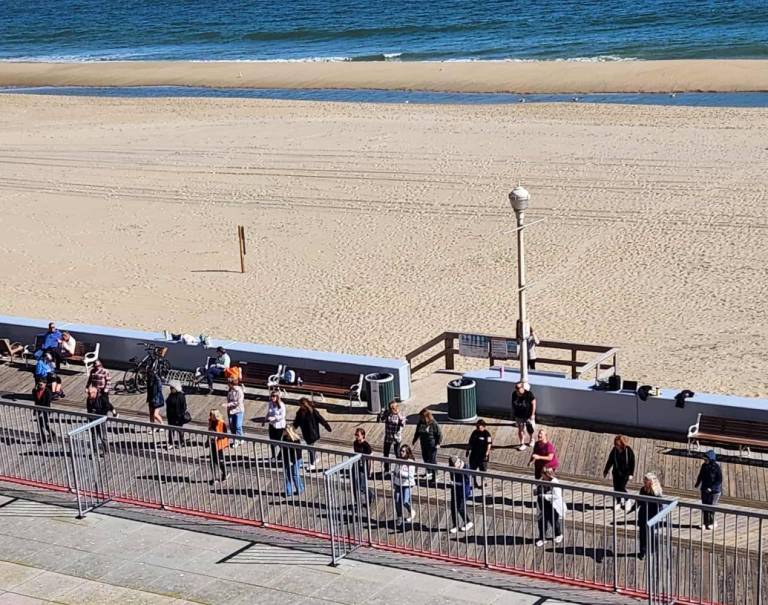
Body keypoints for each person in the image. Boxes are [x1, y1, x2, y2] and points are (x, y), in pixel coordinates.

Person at [293, 397, 332, 470]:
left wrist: (327, 426)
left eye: (301, 405)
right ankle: (315, 457)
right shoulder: (300, 412)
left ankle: (312, 463)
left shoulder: (312, 411)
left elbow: (320, 419)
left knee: (310, 448)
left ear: (305, 405)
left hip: (312, 433)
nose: (300, 406)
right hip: (305, 432)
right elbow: (297, 422)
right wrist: (293, 428)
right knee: (311, 447)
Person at [603, 435, 636, 511]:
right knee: (616, 488)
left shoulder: (628, 451)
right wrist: (606, 470)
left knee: (621, 487)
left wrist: (631, 473)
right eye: (615, 444)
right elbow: (610, 460)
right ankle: (618, 502)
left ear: (622, 444)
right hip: (616, 472)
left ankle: (627, 500)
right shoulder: (614, 450)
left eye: (617, 444)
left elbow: (632, 462)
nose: (616, 446)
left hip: (625, 473)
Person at [535, 466, 565, 546]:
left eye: (543, 474)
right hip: (542, 504)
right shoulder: (542, 480)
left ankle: (558, 534)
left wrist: (545, 496)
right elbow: (538, 489)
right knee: (541, 521)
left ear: (547, 474)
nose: (541, 475)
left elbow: (557, 495)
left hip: (552, 505)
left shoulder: (554, 482)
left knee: (553, 520)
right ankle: (542, 538)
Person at [637, 472, 663, 560]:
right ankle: (642, 552)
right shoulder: (642, 490)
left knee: (651, 533)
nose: (644, 481)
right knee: (642, 534)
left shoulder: (656, 492)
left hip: (652, 515)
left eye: (646, 480)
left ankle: (652, 549)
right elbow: (639, 501)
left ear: (651, 482)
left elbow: (660, 506)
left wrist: (658, 517)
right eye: (644, 480)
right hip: (643, 514)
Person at [412, 408, 442, 483]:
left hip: (431, 444)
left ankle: (435, 476)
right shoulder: (420, 423)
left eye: (422, 417)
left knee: (432, 460)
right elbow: (417, 432)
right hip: (423, 443)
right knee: (425, 458)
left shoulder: (433, 423)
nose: (420, 418)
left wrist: (438, 443)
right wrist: (414, 439)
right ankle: (428, 471)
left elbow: (439, 434)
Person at [695, 450, 722, 530]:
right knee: (704, 506)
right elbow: (700, 475)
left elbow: (719, 480)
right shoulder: (704, 466)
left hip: (714, 491)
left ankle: (712, 522)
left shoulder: (716, 467)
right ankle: (705, 523)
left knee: (711, 507)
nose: (705, 461)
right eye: (704, 459)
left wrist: (711, 488)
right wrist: (697, 483)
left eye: (706, 459)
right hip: (704, 489)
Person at [85, 385, 117, 455]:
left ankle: (106, 451)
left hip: (101, 419)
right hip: (93, 419)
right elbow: (88, 409)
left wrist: (99, 412)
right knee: (94, 436)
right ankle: (95, 451)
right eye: (88, 393)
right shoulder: (89, 399)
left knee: (102, 436)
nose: (89, 395)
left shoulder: (102, 398)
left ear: (94, 393)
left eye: (90, 393)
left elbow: (108, 407)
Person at [447, 456, 473, 534]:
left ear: (458, 462)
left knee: (460, 507)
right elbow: (452, 478)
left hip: (463, 490)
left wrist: (455, 483)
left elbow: (467, 482)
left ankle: (468, 522)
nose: (453, 467)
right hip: (455, 489)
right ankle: (455, 525)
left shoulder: (466, 467)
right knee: (453, 507)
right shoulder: (452, 468)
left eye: (454, 465)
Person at [392, 444, 416, 527]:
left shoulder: (410, 462)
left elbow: (411, 474)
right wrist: (394, 482)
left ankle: (411, 511)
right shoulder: (398, 460)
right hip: (398, 484)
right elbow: (395, 472)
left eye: (403, 451)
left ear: (407, 452)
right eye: (401, 451)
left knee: (405, 500)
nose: (401, 452)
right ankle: (399, 517)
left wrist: (401, 473)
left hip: (407, 484)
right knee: (397, 500)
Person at [381, 400, 406, 475]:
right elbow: (381, 419)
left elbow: (402, 424)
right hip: (388, 437)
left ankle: (399, 469)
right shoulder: (387, 413)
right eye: (391, 407)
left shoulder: (400, 415)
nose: (392, 409)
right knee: (386, 453)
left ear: (396, 407)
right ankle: (386, 469)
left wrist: (398, 414)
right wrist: (382, 413)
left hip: (396, 438)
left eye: (394, 407)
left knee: (397, 454)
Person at [466, 419, 492, 488]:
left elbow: (489, 445)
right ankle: (474, 482)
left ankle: (483, 482)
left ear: (483, 426)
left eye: (479, 427)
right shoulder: (474, 432)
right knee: (473, 469)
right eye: (476, 426)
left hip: (482, 456)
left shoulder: (487, 434)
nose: (477, 428)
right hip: (474, 455)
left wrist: (486, 454)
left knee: (483, 470)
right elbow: (470, 442)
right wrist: (468, 450)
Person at [511, 381, 536, 450]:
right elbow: (513, 404)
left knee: (529, 428)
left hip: (528, 415)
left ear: (522, 387)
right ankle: (522, 443)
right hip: (519, 415)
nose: (517, 389)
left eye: (518, 388)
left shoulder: (528, 394)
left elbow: (534, 403)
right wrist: (513, 412)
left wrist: (532, 414)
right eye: (516, 388)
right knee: (520, 429)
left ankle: (532, 439)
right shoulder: (514, 394)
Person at [352, 428, 374, 506]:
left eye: (358, 435)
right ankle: (358, 501)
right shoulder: (355, 443)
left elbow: (369, 460)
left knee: (362, 486)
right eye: (356, 435)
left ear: (363, 436)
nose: (356, 437)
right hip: (356, 465)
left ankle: (370, 495)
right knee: (355, 485)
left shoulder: (366, 446)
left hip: (363, 467)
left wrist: (369, 471)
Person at [281, 426, 305, 497]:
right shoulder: (284, 438)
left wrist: (292, 460)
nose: (282, 432)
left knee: (295, 474)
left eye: (283, 430)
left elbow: (297, 452)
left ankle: (300, 489)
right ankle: (288, 491)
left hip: (295, 458)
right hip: (287, 458)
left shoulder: (296, 440)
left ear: (287, 431)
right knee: (288, 474)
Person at [165, 380, 189, 449]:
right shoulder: (170, 395)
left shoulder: (181, 396)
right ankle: (170, 443)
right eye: (170, 388)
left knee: (179, 430)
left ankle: (181, 442)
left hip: (178, 416)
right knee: (171, 430)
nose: (171, 389)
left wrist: (180, 415)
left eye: (172, 388)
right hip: (171, 416)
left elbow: (184, 407)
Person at [208, 410, 229, 485]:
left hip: (219, 444)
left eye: (211, 415)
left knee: (218, 461)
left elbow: (225, 434)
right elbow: (209, 432)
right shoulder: (210, 421)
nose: (209, 416)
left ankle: (225, 472)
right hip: (212, 444)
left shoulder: (221, 423)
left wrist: (218, 436)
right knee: (212, 461)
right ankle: (214, 478)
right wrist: (208, 441)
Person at [223, 378, 245, 448]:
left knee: (238, 426)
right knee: (232, 427)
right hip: (230, 411)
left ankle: (237, 440)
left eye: (229, 383)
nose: (228, 384)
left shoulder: (239, 390)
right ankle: (239, 438)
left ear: (231, 384)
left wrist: (228, 404)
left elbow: (239, 402)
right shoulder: (230, 390)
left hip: (238, 410)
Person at [265, 390, 287, 460]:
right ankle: (273, 456)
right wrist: (265, 418)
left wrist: (274, 418)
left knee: (279, 441)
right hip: (272, 425)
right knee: (272, 441)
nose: (272, 398)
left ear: (277, 397)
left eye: (274, 396)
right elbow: (269, 411)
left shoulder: (281, 405)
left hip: (279, 426)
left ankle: (281, 455)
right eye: (271, 396)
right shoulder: (270, 403)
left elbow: (282, 416)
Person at [32, 379, 54, 443]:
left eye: (41, 384)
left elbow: (47, 402)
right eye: (38, 384)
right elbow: (36, 401)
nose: (39, 386)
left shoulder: (48, 392)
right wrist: (35, 410)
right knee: (40, 424)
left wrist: (43, 411)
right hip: (38, 409)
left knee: (44, 424)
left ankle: (51, 434)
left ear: (45, 384)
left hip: (45, 410)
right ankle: (43, 438)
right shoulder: (36, 391)